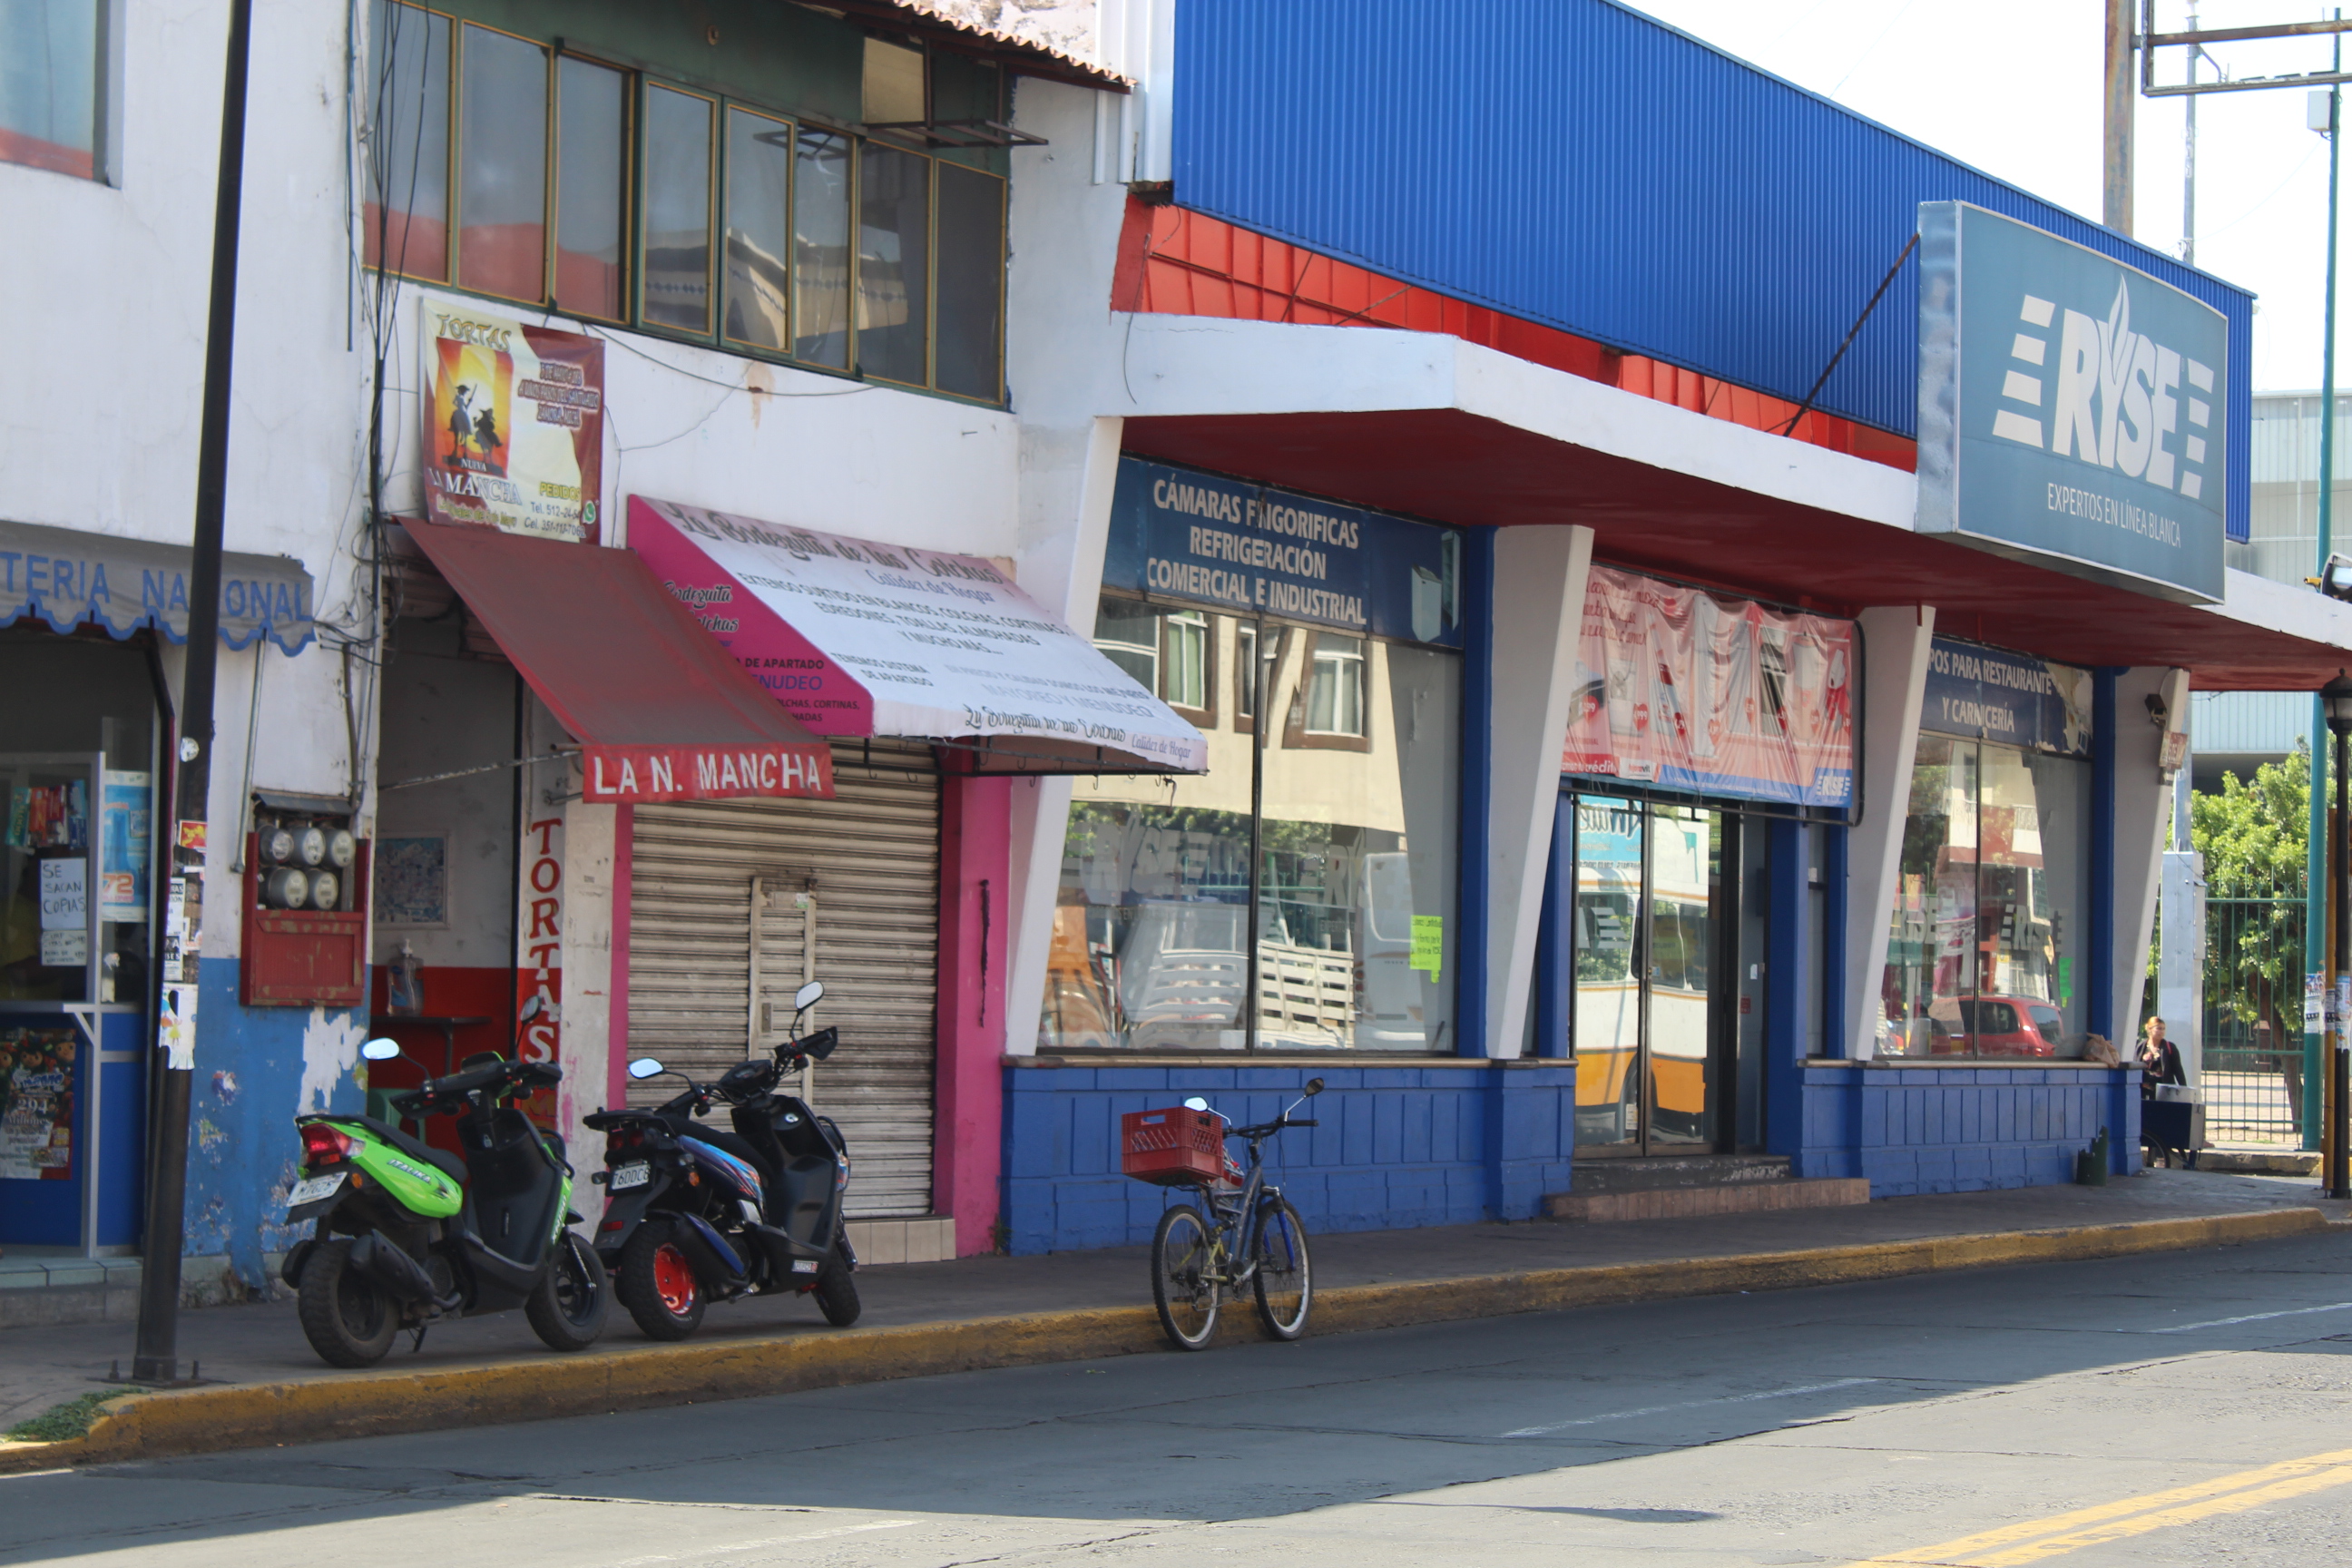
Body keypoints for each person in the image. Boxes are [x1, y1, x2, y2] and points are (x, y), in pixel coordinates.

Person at [2139, 1016, 2187, 1098]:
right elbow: (2135, 1065)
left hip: (2163, 1091)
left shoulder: (2169, 1047)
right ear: (2150, 1029)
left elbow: (2178, 1069)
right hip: (2143, 1090)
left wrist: (2184, 1089)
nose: (2162, 1032)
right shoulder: (2141, 1046)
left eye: (2163, 1029)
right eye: (2159, 1028)